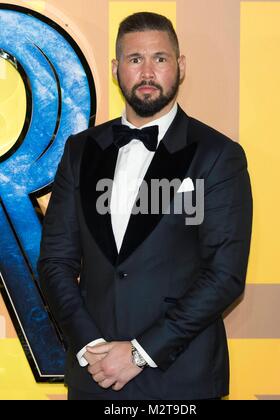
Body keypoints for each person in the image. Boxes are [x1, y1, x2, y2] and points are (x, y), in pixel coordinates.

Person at [38, 12, 253, 400]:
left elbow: (225, 274)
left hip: (181, 378)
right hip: (95, 375)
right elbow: (56, 261)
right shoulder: (80, 151)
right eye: (136, 60)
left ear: (181, 66)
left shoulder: (218, 155)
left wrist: (140, 353)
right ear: (117, 68)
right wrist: (90, 347)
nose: (148, 71)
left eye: (161, 58)